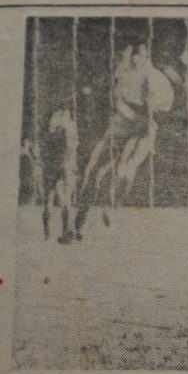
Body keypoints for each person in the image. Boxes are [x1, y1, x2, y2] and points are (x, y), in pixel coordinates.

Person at [75, 44, 174, 234]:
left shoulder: (157, 79)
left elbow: (163, 108)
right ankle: (79, 222)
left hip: (142, 127)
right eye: (125, 56)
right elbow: (115, 97)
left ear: (143, 56)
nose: (125, 59)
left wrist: (147, 116)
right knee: (93, 168)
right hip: (121, 125)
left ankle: (111, 207)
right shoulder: (123, 75)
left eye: (129, 55)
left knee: (126, 166)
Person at [42, 109, 80, 244]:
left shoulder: (51, 131)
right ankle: (63, 233)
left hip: (53, 168)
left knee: (50, 200)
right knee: (64, 201)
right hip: (64, 167)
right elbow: (72, 149)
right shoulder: (68, 131)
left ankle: (48, 234)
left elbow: (46, 149)